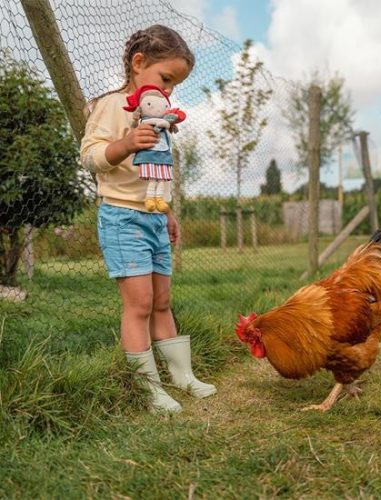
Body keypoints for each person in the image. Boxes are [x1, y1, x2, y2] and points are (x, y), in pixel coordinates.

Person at [81, 25, 216, 414]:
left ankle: (181, 376)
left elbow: (154, 172)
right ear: (139, 63)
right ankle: (148, 387)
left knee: (162, 301)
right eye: (166, 78)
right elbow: (89, 156)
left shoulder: (156, 115)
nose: (169, 90)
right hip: (122, 217)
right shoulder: (113, 106)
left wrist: (168, 212)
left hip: (153, 218)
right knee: (138, 303)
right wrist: (125, 144)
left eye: (175, 84)